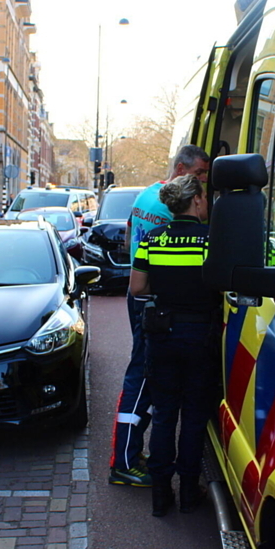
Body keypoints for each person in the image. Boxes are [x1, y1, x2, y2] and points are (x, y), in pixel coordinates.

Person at [107, 144, 211, 489]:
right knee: (140, 377)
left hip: (141, 294)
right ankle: (123, 460)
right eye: (198, 177)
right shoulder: (175, 210)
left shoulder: (146, 196)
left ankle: (132, 453)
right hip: (156, 303)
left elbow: (127, 237)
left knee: (147, 377)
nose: (202, 187)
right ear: (182, 172)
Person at [129, 175, 220, 517]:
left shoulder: (153, 240)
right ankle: (188, 493)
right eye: (205, 197)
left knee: (165, 415)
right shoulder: (211, 241)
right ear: (196, 200)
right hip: (200, 336)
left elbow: (137, 288)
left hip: (161, 335)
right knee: (194, 416)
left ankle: (160, 494)